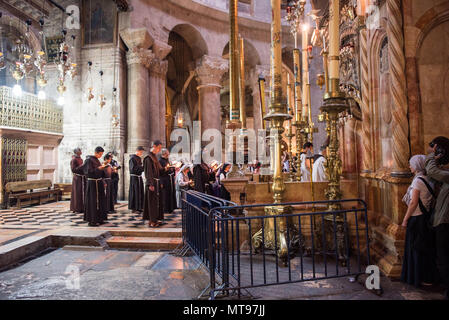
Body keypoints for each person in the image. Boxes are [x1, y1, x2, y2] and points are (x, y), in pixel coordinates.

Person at [400, 155, 437, 287]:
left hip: (416, 218)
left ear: (416, 165)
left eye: (411, 164)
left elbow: (413, 202)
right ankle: (426, 277)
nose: (410, 166)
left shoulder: (417, 181)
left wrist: (405, 220)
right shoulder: (429, 179)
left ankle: (416, 278)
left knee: (415, 248)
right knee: (423, 247)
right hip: (424, 218)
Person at [425, 136, 449, 300]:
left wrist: (431, 156)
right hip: (443, 220)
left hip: (445, 222)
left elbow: (432, 172)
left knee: (444, 257)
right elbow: (434, 177)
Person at [83, 146, 107, 226]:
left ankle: (100, 218)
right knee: (93, 202)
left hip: (98, 182)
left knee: (100, 201)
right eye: (100, 154)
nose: (100, 156)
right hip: (92, 183)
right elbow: (88, 172)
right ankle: (92, 220)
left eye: (101, 154)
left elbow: (99, 171)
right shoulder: (88, 160)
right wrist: (99, 168)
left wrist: (103, 168)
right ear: (96, 152)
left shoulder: (97, 160)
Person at [143, 140, 164, 227]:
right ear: (154, 146)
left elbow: (159, 170)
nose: (159, 150)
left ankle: (154, 219)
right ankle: (152, 221)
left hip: (156, 182)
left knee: (155, 202)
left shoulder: (154, 156)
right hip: (152, 183)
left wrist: (167, 169)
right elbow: (148, 172)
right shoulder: (148, 158)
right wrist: (151, 184)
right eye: (159, 148)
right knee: (151, 202)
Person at [159, 148, 176, 215]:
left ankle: (171, 208)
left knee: (170, 194)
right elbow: (159, 172)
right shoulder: (160, 161)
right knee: (165, 195)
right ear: (164, 154)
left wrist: (173, 168)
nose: (168, 154)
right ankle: (165, 209)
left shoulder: (167, 160)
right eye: (167, 153)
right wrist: (161, 182)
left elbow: (169, 169)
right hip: (164, 180)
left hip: (169, 179)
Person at [128, 146, 145, 213]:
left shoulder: (139, 158)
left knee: (139, 192)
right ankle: (134, 208)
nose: (141, 153)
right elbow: (132, 169)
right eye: (141, 152)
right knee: (135, 192)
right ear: (137, 150)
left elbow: (140, 167)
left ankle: (139, 207)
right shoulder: (132, 158)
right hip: (134, 177)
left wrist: (142, 167)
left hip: (139, 177)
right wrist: (141, 167)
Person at [70, 148, 85, 213]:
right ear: (76, 152)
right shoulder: (74, 160)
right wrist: (81, 166)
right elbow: (73, 170)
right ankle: (76, 208)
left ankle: (81, 207)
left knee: (81, 193)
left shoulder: (81, 159)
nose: (81, 151)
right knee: (77, 193)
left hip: (82, 177)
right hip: (77, 178)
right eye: (80, 150)